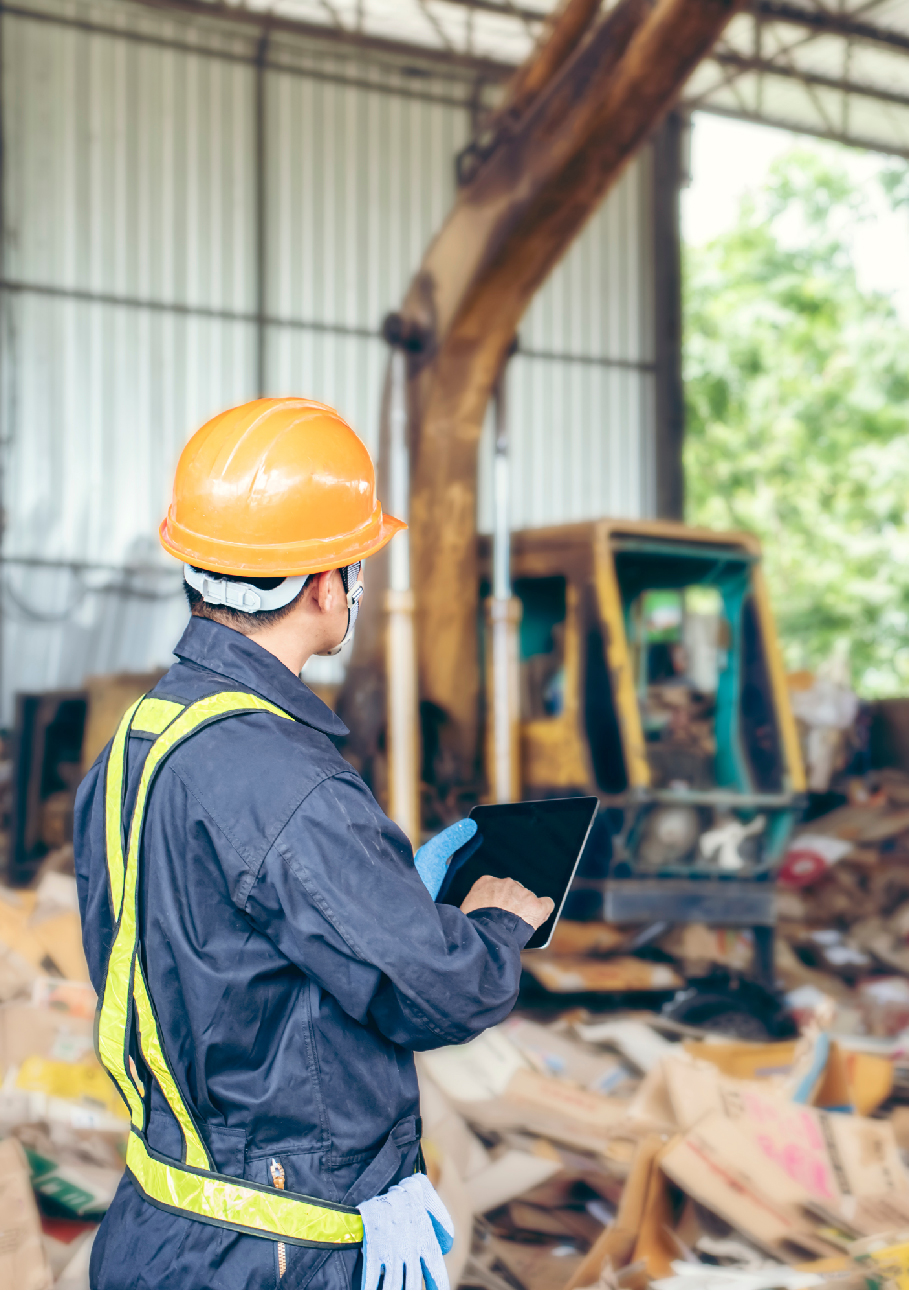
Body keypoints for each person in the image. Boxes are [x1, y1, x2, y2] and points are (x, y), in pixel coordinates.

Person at [73, 397, 551, 1289]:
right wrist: (490, 926)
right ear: (327, 585)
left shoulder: (138, 738)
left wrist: (375, 899)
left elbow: (220, 946)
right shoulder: (291, 779)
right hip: (273, 1253)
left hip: (160, 1224)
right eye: (355, 566)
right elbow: (437, 994)